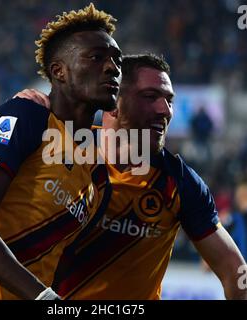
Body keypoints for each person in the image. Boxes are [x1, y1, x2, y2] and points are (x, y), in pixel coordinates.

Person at [17, 53, 247, 300]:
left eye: (169, 100)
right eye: (150, 97)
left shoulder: (179, 183)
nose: (165, 110)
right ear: (113, 102)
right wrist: (20, 115)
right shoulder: (61, 150)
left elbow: (236, 271)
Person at [0, 3, 122, 300]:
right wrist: (44, 299)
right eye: (96, 57)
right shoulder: (27, 115)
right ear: (59, 71)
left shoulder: (92, 166)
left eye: (117, 60)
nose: (112, 67)